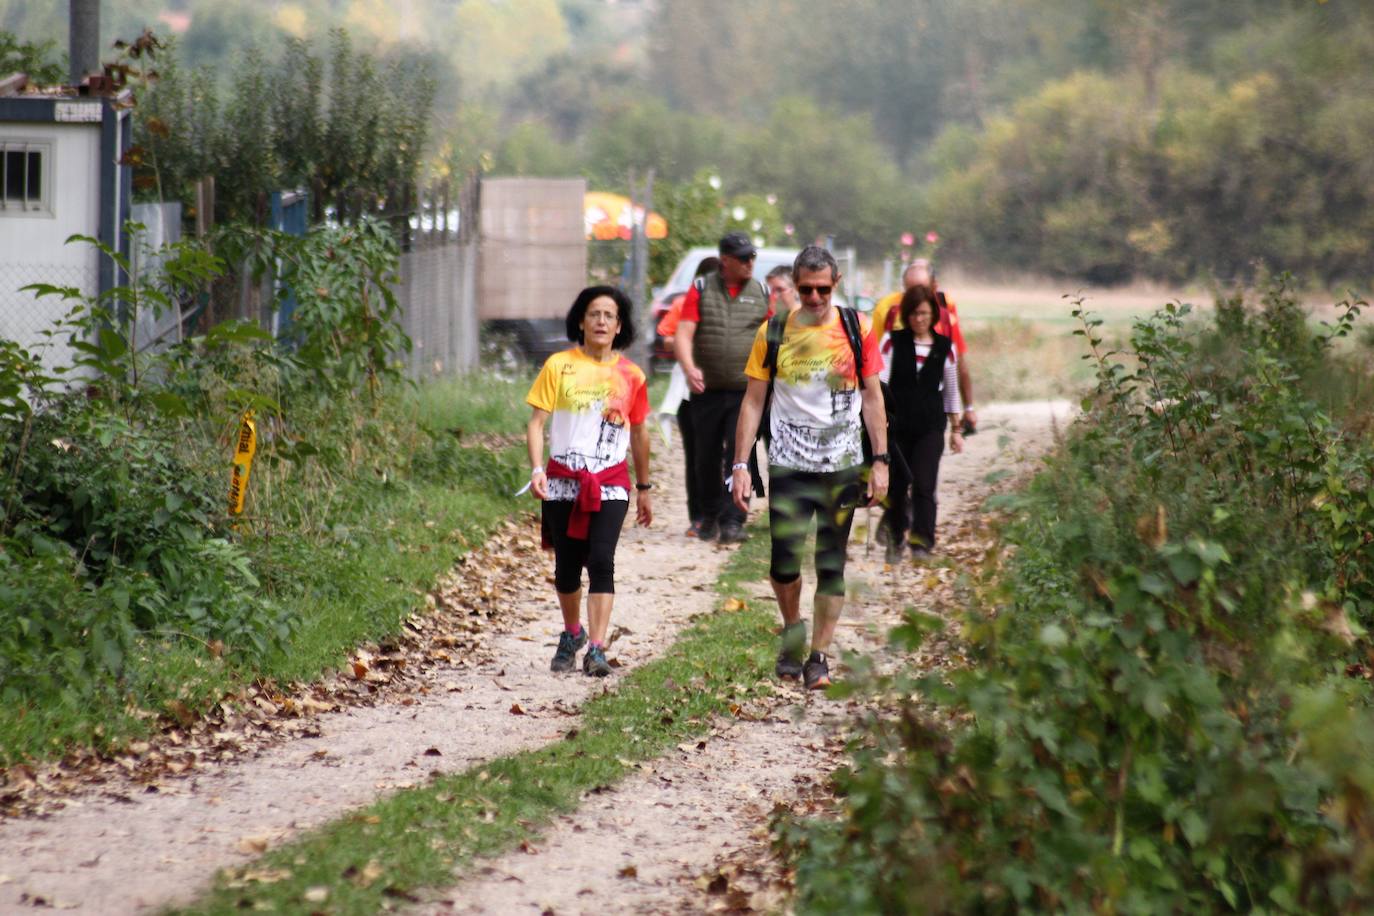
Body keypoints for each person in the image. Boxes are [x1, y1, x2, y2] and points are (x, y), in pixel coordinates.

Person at [731, 246, 889, 690]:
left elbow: (873, 399)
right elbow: (753, 401)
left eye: (823, 289)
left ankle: (819, 654)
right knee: (784, 565)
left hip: (841, 466)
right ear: (796, 286)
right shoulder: (775, 331)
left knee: (831, 564)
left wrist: (880, 462)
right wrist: (741, 464)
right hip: (789, 465)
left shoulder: (857, 329)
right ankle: (792, 631)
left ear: (835, 283)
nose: (815, 297)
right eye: (806, 289)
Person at [526, 286, 653, 677]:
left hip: (610, 481)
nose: (601, 321)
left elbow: (639, 433)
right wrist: (537, 469)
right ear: (581, 321)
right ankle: (572, 632)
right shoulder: (559, 366)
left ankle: (596, 648)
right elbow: (535, 424)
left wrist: (644, 488)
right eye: (593, 314)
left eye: (609, 316)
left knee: (601, 561)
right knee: (566, 567)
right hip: (564, 480)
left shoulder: (631, 375)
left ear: (619, 326)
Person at [674, 232, 773, 544]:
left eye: (752, 257)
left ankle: (733, 520)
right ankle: (710, 515)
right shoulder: (702, 289)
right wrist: (689, 368)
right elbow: (683, 333)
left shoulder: (761, 292)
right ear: (725, 261)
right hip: (708, 390)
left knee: (738, 452)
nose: (749, 263)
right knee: (705, 455)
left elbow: (774, 336)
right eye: (743, 258)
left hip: (746, 392)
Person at [878, 285, 963, 562]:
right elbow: (881, 384)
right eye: (914, 313)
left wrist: (957, 429)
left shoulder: (945, 348)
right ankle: (894, 537)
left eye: (924, 313)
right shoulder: (892, 342)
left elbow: (951, 392)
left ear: (933, 315)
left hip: (930, 426)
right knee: (897, 485)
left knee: (925, 484)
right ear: (906, 315)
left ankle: (922, 542)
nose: (919, 319)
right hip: (898, 426)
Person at [871, 259, 977, 432]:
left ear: (934, 286)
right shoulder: (886, 308)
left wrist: (969, 408)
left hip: (932, 405)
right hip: (898, 403)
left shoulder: (945, 309)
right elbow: (875, 362)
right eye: (909, 291)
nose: (915, 298)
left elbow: (958, 361)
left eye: (922, 290)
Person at [656, 257, 720, 535]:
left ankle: (724, 513)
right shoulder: (684, 304)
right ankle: (698, 515)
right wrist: (687, 341)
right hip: (688, 391)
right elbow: (665, 337)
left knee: (722, 454)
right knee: (696, 454)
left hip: (722, 387)